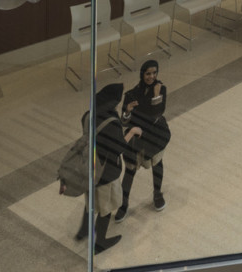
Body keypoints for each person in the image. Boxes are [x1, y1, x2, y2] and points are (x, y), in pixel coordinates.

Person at [70, 82, 138, 254]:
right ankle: (99, 243)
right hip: (106, 172)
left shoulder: (88, 114)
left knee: (91, 201)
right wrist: (132, 132)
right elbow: (119, 147)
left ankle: (83, 230)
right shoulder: (111, 122)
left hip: (89, 168)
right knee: (105, 208)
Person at [117, 59, 171, 217]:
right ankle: (123, 202)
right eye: (148, 73)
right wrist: (127, 110)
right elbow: (123, 120)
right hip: (136, 137)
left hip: (155, 135)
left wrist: (155, 97)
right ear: (142, 74)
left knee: (157, 163)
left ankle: (157, 193)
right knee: (130, 170)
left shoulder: (161, 89)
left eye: (154, 73)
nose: (152, 76)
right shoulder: (131, 94)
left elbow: (157, 113)